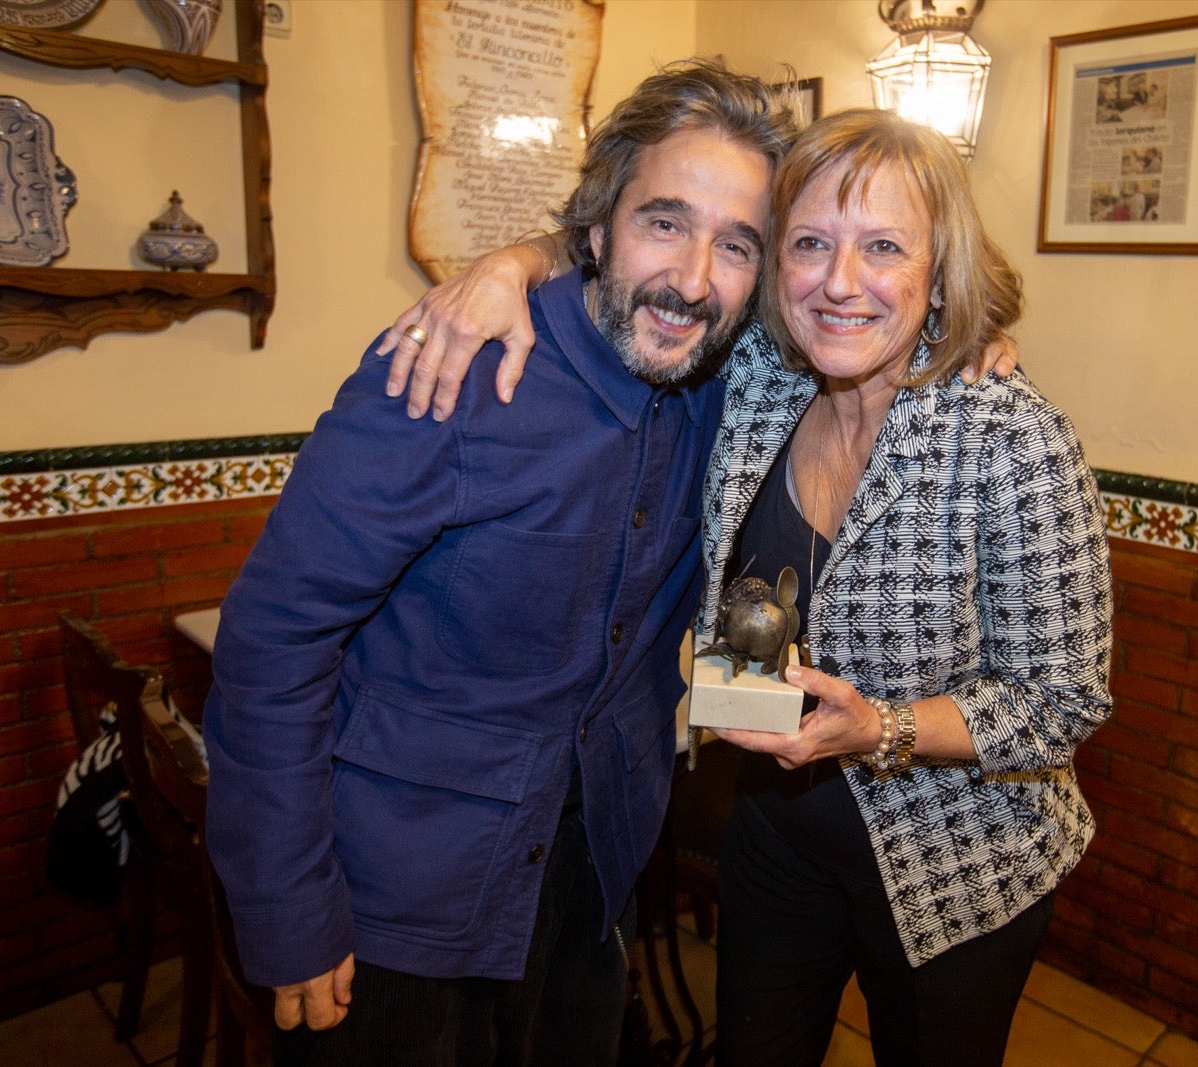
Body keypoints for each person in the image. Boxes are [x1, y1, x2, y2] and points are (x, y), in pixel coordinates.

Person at [381, 109, 1112, 1067]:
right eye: (810, 243)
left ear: (939, 270)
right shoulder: (761, 375)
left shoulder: (1011, 439)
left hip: (956, 864)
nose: (841, 282)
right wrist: (508, 264)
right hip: (775, 832)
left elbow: (1062, 703)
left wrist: (878, 728)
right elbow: (641, 251)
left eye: (884, 247)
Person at [202, 59, 793, 1066]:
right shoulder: (445, 371)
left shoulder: (725, 388)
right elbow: (272, 642)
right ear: (596, 229)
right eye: (663, 222)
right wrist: (286, 907)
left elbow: (878, 299)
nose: (693, 279)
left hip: (586, 875)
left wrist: (979, 333)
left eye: (734, 244)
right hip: (397, 895)